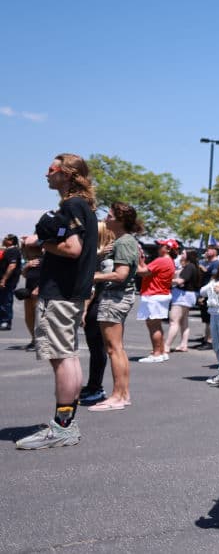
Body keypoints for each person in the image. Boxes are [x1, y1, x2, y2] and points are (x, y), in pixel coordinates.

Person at [16, 153, 98, 450]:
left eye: (51, 169)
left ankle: (63, 427)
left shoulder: (72, 205)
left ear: (67, 174)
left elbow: (72, 248)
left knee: (62, 357)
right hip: (70, 292)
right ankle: (66, 423)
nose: (46, 174)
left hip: (61, 293)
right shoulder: (83, 206)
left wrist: (36, 243)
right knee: (68, 356)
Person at [88, 203, 141, 412]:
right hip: (115, 297)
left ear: (120, 220)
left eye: (109, 216)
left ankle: (118, 395)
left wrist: (91, 277)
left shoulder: (125, 242)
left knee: (114, 348)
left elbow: (120, 275)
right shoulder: (122, 241)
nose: (105, 219)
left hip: (115, 298)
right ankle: (122, 394)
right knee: (116, 348)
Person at [79, 222, 114, 405]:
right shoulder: (100, 255)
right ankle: (93, 385)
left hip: (98, 303)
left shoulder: (103, 257)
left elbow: (92, 286)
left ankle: (96, 387)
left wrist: (84, 309)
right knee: (97, 349)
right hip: (99, 302)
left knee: (98, 348)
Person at [136, 240, 176, 363]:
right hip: (159, 294)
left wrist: (136, 259)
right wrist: (141, 260)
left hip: (154, 295)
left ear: (168, 249)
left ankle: (156, 353)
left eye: (161, 245)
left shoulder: (162, 260)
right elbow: (146, 270)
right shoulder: (168, 261)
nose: (158, 247)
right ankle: (161, 351)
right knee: (156, 325)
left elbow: (141, 272)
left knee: (153, 326)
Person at [166, 248, 201, 352]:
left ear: (189, 255)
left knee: (174, 321)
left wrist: (166, 281)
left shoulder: (189, 267)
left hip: (182, 296)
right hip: (188, 296)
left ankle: (166, 345)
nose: (181, 254)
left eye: (183, 253)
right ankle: (183, 344)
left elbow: (180, 280)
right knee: (183, 321)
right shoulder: (192, 266)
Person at [0, 233, 22, 330]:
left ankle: (6, 322)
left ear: (11, 241)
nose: (3, 240)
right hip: (4, 280)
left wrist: (4, 279)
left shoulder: (13, 251)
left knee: (6, 301)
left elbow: (12, 266)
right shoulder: (7, 250)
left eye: (5, 239)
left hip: (8, 281)